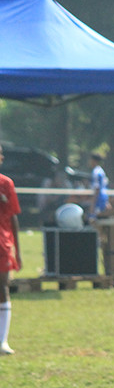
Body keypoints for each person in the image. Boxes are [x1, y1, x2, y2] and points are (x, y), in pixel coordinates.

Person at [0, 144, 23, 355]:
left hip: (2, 244)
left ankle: (2, 341)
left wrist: (19, 251)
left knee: (3, 287)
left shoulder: (6, 183)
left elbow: (13, 216)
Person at [86, 152, 110, 222]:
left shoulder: (96, 172)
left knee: (95, 221)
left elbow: (97, 189)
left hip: (99, 199)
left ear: (94, 161)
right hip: (103, 197)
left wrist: (92, 206)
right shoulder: (101, 171)